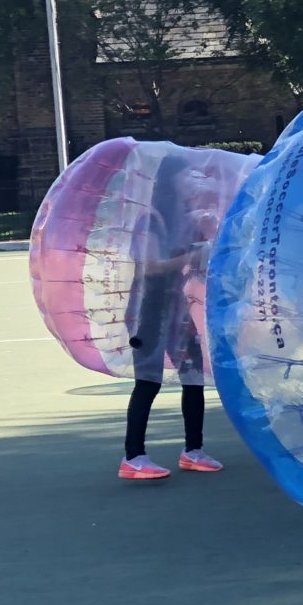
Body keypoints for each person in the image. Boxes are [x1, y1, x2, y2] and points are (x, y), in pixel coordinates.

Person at [120, 155, 225, 480]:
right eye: (188, 174)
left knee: (193, 376)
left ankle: (193, 450)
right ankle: (133, 456)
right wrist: (195, 254)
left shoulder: (186, 218)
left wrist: (210, 250)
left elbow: (190, 264)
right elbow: (150, 266)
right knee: (147, 383)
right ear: (171, 181)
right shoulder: (151, 219)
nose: (195, 179)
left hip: (176, 309)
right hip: (147, 311)